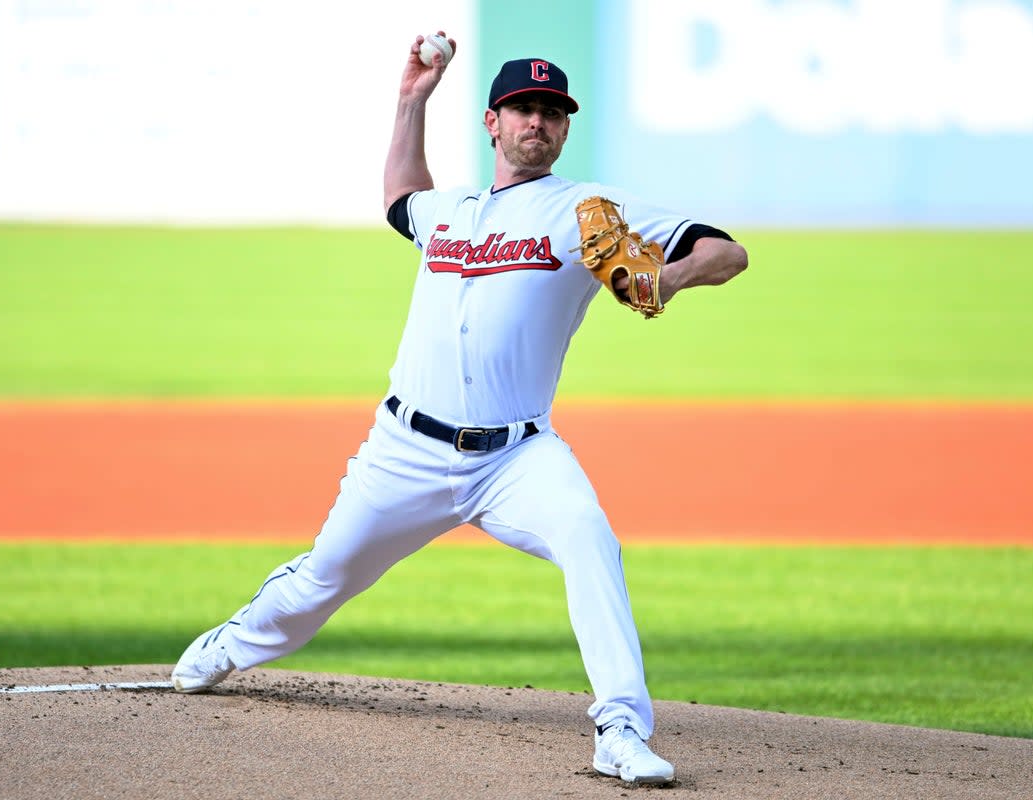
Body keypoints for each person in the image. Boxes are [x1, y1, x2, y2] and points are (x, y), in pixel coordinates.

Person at [171, 33, 748, 786]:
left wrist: (665, 280)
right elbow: (400, 202)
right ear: (493, 123)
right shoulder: (447, 212)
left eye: (550, 111)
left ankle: (620, 729)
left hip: (517, 457)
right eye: (522, 109)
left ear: (565, 128)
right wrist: (413, 101)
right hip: (403, 450)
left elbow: (727, 253)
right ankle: (238, 641)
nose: (536, 122)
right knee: (325, 576)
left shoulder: (588, 210)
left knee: (588, 538)